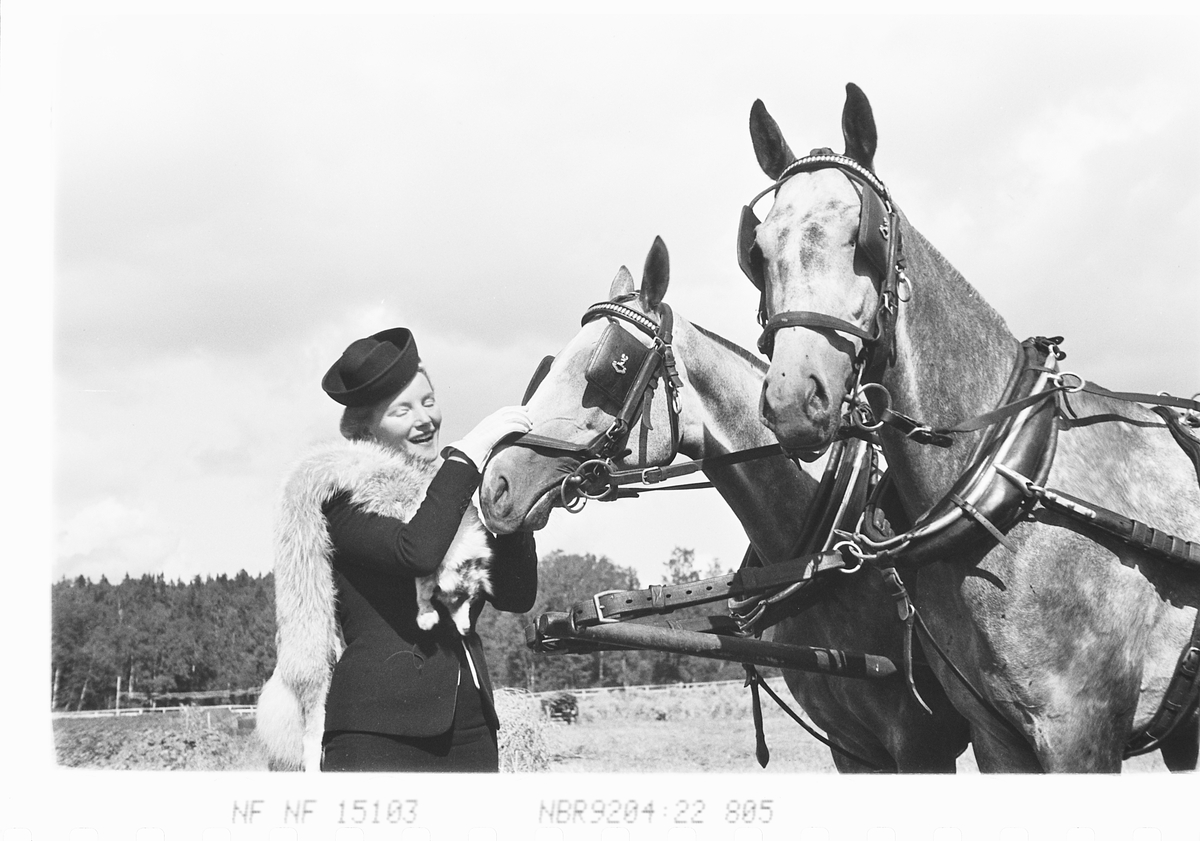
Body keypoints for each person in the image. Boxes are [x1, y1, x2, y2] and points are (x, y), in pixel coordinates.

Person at [256, 327, 537, 772]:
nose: (424, 419)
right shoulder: (342, 494)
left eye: (428, 401)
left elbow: (516, 596)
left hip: (471, 728)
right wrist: (467, 457)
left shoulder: (448, 494)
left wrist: (516, 509)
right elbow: (416, 553)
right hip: (377, 734)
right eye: (401, 410)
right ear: (366, 427)